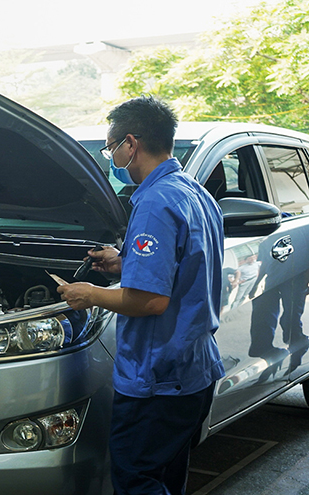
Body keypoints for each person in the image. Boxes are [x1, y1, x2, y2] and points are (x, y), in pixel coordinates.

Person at [57, 96, 225, 495]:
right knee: (167, 475)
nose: (111, 154)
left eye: (110, 146)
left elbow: (151, 301)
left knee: (136, 479)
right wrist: (125, 261)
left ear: (130, 144)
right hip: (193, 369)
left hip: (158, 377)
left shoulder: (153, 202)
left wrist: (91, 294)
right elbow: (183, 266)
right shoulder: (193, 193)